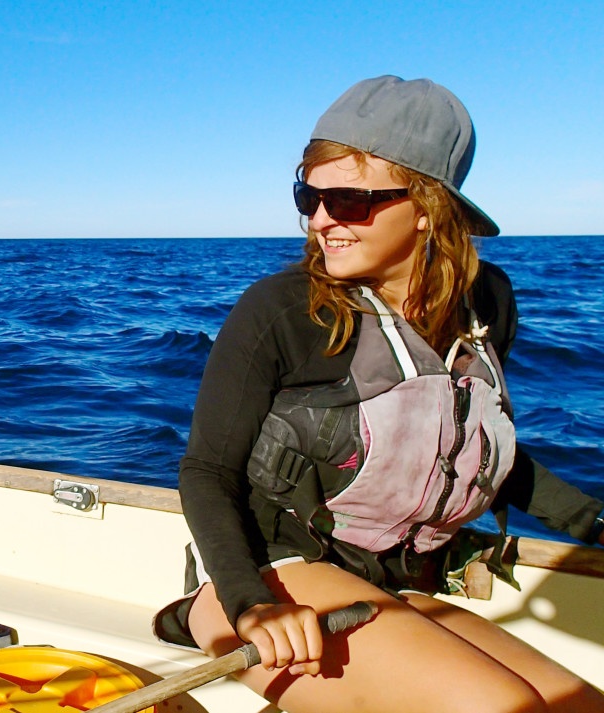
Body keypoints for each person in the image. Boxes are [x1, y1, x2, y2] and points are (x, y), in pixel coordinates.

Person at [157, 76, 604, 712]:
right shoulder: (281, 311)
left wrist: (592, 522)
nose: (321, 220)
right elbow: (206, 470)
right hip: (269, 578)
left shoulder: (487, 305)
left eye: (349, 200)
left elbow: (462, 449)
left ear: (428, 207)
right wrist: (250, 603)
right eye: (309, 197)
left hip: (394, 584)